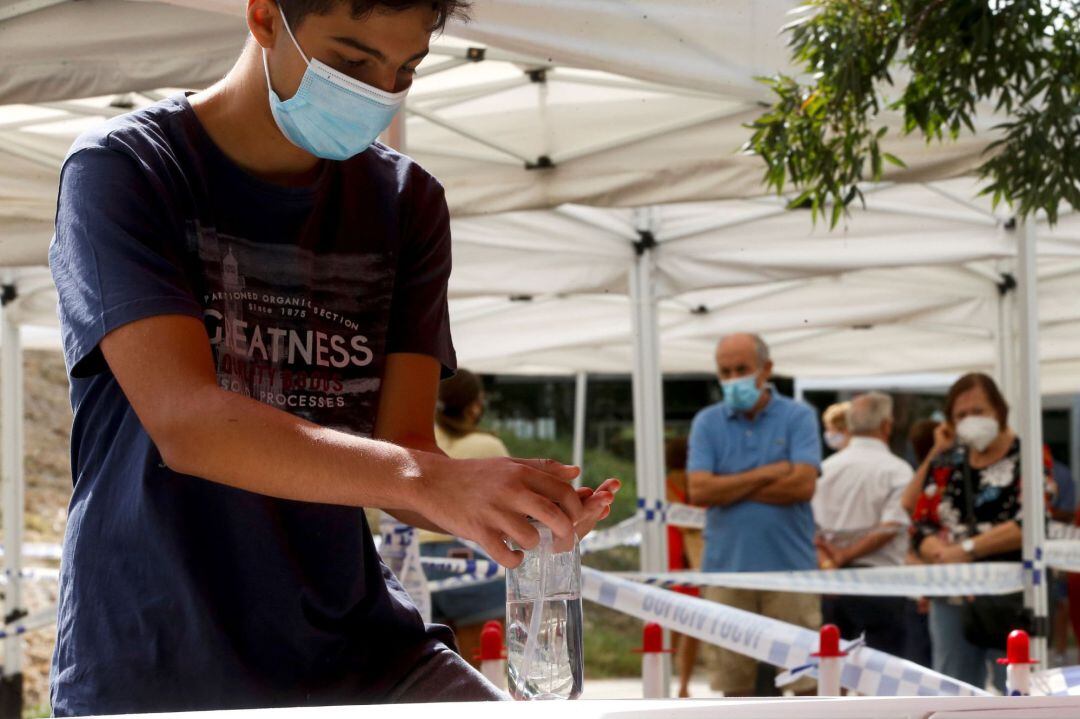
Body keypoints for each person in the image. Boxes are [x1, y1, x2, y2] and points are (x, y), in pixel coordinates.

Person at [46, 1, 619, 714]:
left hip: (359, 649)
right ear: (264, 16)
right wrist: (425, 478)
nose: (377, 93)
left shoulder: (406, 202)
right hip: (159, 653)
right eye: (350, 62)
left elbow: (399, 455)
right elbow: (185, 421)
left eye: (403, 69)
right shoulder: (127, 169)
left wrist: (502, 499)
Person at [688, 333, 822, 697]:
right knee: (734, 688)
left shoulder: (799, 416)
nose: (733, 379)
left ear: (767, 369)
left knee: (807, 684)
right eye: (725, 371)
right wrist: (768, 472)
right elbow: (700, 491)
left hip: (791, 570)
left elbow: (802, 487)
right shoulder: (707, 422)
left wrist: (727, 487)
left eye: (742, 369)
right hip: (726, 571)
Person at [903, 373, 1043, 692]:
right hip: (950, 593)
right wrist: (937, 552)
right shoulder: (949, 460)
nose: (970, 421)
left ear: (998, 410)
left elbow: (1030, 523)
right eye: (961, 415)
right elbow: (917, 515)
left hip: (1008, 597)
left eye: (978, 411)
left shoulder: (1029, 456)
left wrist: (965, 549)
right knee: (952, 687)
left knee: (1016, 687)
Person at [812, 392, 912, 657]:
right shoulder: (897, 470)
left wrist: (830, 561)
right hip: (882, 584)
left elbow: (809, 527)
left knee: (834, 671)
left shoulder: (826, 468)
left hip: (831, 583)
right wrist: (844, 556)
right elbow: (892, 525)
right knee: (881, 679)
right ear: (886, 425)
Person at [425, 368, 509, 666]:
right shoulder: (488, 446)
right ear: (475, 405)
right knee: (485, 666)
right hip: (473, 555)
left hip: (415, 559)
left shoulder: (420, 441)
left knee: (431, 668)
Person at [664, 436, 704, 698]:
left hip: (670, 557)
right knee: (693, 626)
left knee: (670, 621)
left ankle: (665, 671)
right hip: (696, 560)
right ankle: (684, 684)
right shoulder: (699, 486)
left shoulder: (662, 486)